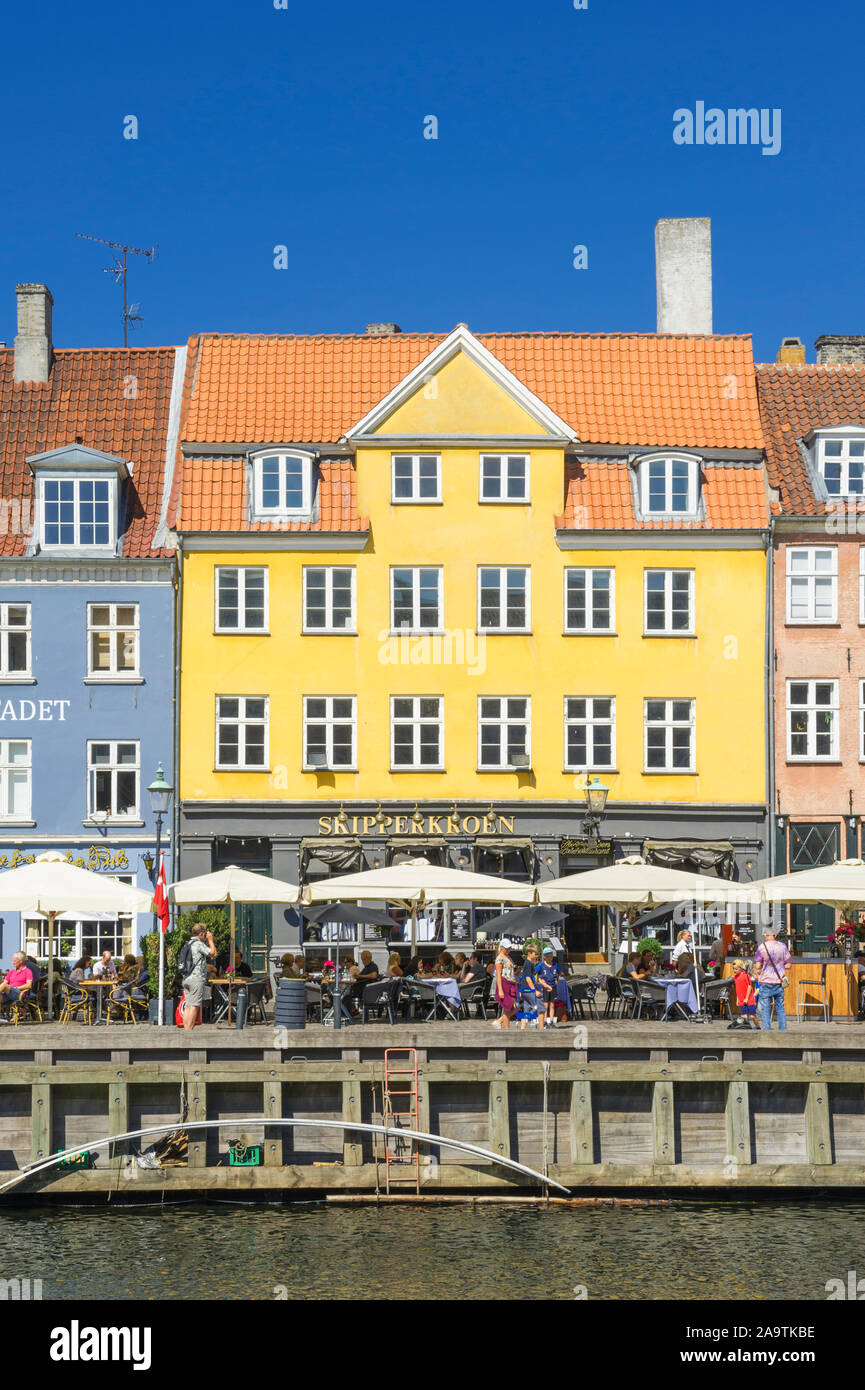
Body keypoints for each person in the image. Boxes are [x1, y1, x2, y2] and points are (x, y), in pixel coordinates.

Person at [752, 926, 792, 1031]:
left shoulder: (762, 947)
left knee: (765, 1009)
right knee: (780, 1008)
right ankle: (783, 1030)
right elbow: (788, 965)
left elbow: (757, 966)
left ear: (766, 935)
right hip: (779, 982)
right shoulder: (783, 946)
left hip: (766, 981)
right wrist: (780, 965)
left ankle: (766, 1031)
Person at [182, 923, 217, 1031]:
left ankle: (186, 1030)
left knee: (188, 1005)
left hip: (186, 978)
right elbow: (213, 953)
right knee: (194, 1005)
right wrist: (210, 940)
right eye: (205, 933)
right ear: (201, 933)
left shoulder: (188, 943)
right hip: (196, 979)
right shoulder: (198, 944)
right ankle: (189, 1031)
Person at [516, 945, 545, 1030]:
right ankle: (541, 1030)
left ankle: (522, 1029)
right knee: (541, 1009)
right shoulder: (528, 963)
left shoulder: (529, 963)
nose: (537, 956)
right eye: (535, 954)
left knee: (526, 1009)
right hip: (529, 990)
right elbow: (528, 978)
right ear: (529, 953)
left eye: (538, 954)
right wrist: (534, 990)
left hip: (525, 990)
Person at [493, 938, 518, 1030]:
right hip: (504, 983)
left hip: (511, 982)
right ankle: (506, 1029)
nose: (508, 950)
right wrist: (500, 990)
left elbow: (509, 970)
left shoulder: (508, 957)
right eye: (506, 948)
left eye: (509, 948)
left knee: (513, 1008)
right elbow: (498, 975)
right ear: (502, 947)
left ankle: (499, 1021)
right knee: (508, 1008)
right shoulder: (499, 958)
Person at [729, 959, 758, 1031]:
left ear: (741, 968)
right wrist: (737, 999)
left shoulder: (746, 976)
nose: (734, 970)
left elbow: (749, 986)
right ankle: (746, 1029)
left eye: (736, 969)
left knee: (752, 1016)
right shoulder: (735, 978)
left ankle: (758, 1027)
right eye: (733, 969)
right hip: (742, 1000)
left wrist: (747, 998)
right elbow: (737, 990)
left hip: (749, 999)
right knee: (744, 1016)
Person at [537, 946, 562, 1028]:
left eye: (550, 956)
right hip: (545, 987)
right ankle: (544, 1021)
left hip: (553, 986)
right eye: (547, 956)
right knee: (545, 1005)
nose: (549, 958)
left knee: (552, 1004)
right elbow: (536, 974)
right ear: (544, 956)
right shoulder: (541, 965)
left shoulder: (555, 965)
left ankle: (551, 1021)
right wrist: (540, 981)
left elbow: (559, 973)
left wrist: (557, 981)